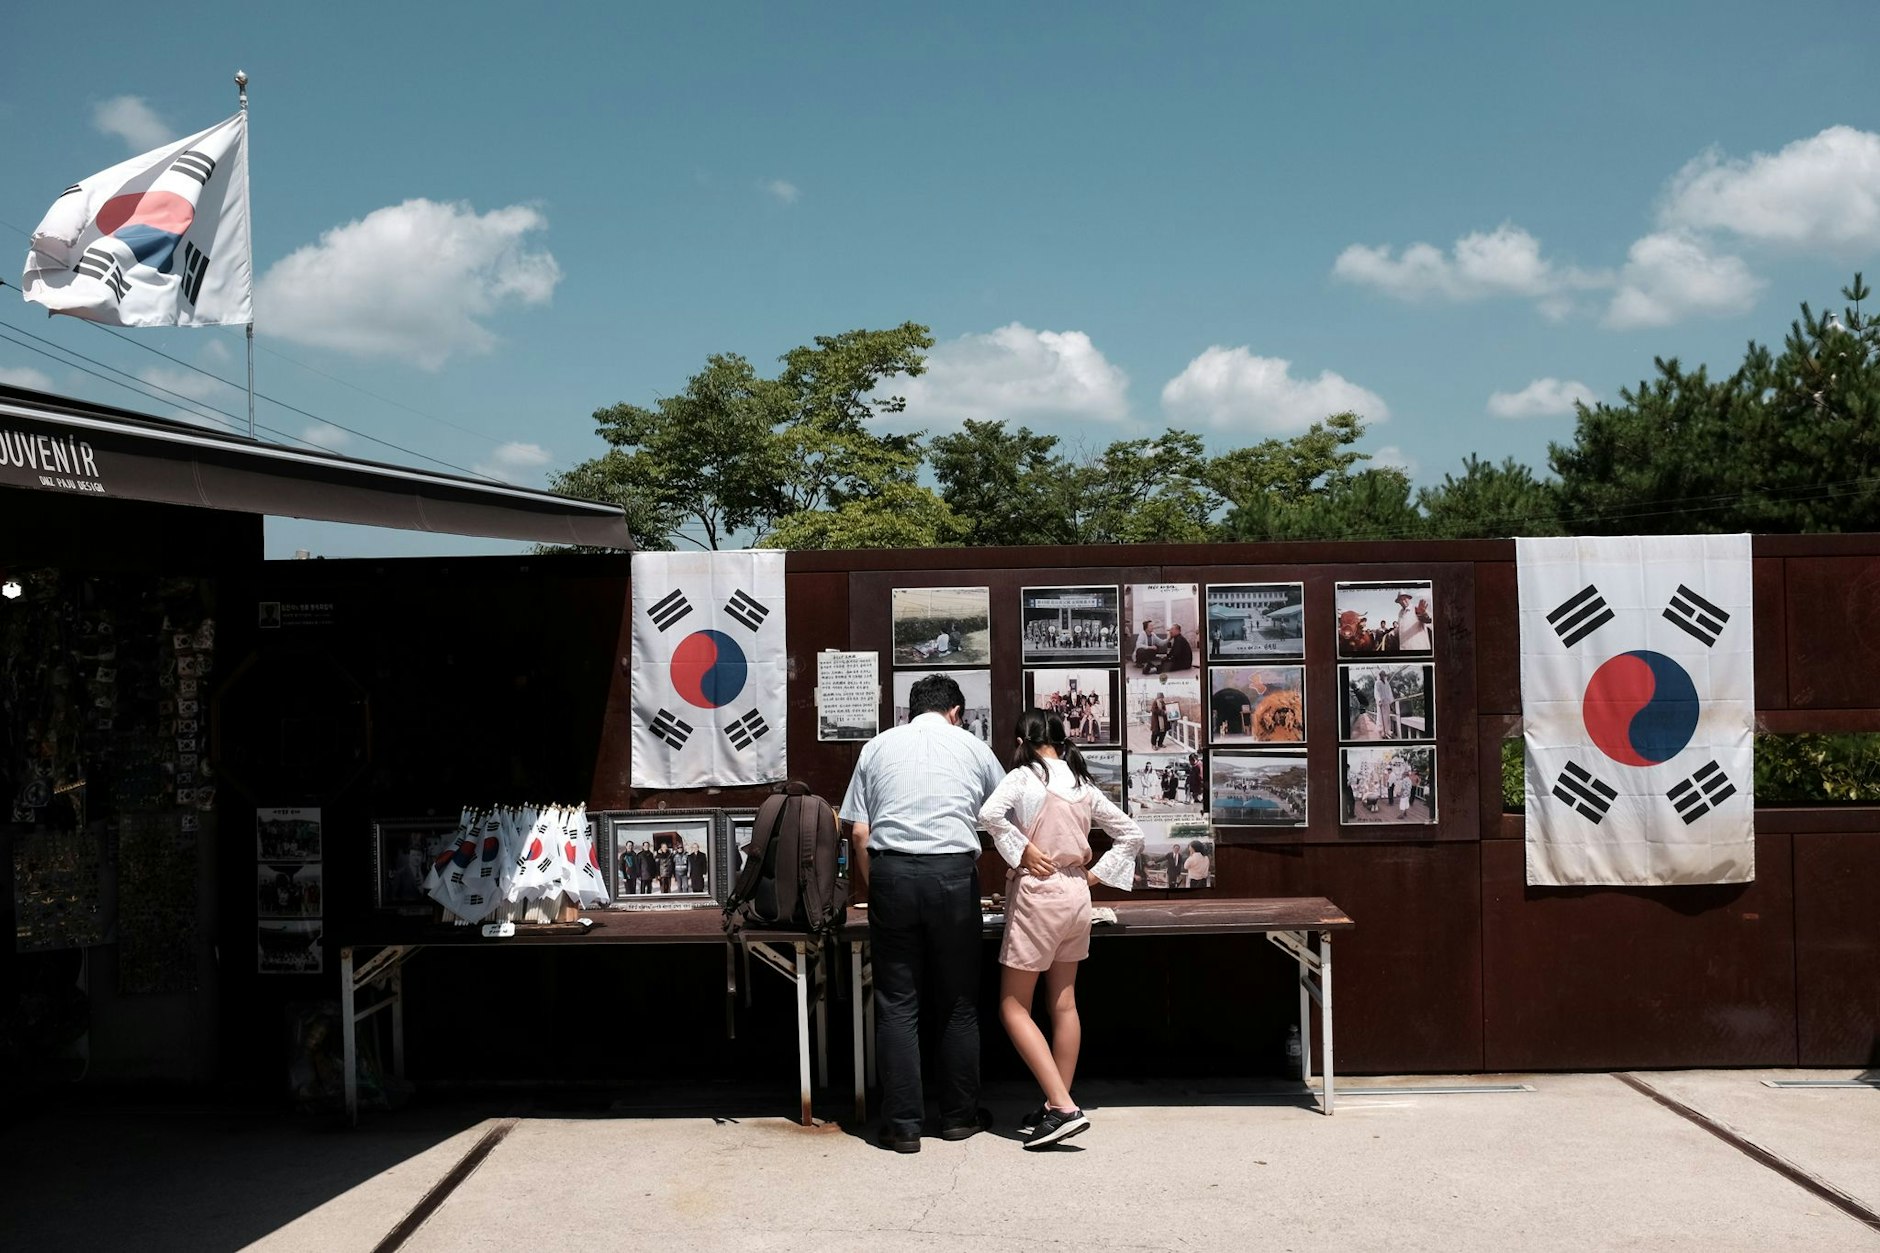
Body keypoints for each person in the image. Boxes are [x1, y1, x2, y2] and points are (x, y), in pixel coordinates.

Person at [841, 673, 1006, 1154]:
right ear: (955, 712)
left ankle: (903, 1126)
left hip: (892, 873)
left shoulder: (876, 747)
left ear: (910, 712)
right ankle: (957, 1117)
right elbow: (1002, 814)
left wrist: (884, 888)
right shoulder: (972, 747)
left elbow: (857, 832)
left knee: (897, 1001)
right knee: (957, 1002)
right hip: (953, 874)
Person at [978, 708, 1143, 1149]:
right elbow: (1131, 834)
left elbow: (988, 815)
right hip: (1077, 896)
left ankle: (1063, 1107)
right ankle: (1056, 1105)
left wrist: (1022, 850)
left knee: (1013, 1008)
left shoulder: (1022, 777)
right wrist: (1093, 876)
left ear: (1023, 741)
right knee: (1064, 1005)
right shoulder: (1082, 784)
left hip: (1039, 895)